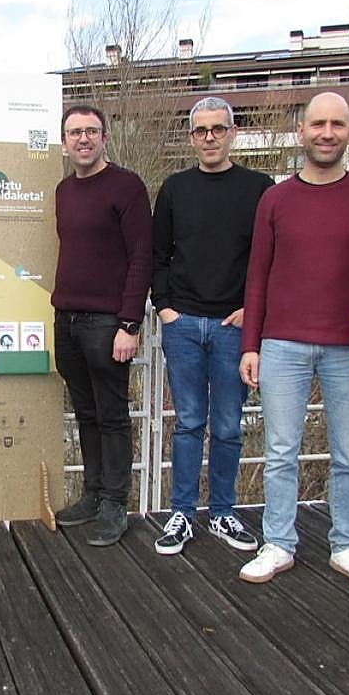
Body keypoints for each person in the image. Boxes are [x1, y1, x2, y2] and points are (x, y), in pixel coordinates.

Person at [237, 92, 349, 588]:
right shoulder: (275, 199)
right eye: (318, 123)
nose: (327, 133)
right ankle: (278, 543)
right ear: (300, 131)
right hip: (282, 344)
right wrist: (251, 344)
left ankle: (347, 545)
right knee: (280, 452)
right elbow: (257, 275)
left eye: (337, 124)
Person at [150, 96, 273, 556]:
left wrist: (251, 310)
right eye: (201, 130)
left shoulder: (259, 188)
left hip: (233, 326)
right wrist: (164, 307)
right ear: (191, 138)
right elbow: (158, 255)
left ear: (232, 132)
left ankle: (222, 512)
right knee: (188, 423)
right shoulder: (175, 189)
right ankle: (182, 513)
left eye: (218, 129)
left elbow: (270, 258)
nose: (210, 138)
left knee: (227, 425)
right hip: (182, 324)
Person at [51, 105, 152, 546]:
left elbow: (141, 258)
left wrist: (130, 323)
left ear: (105, 138)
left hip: (109, 323)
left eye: (91, 131)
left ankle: (114, 504)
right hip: (67, 319)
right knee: (85, 412)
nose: (83, 139)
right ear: (64, 142)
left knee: (112, 416)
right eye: (75, 132)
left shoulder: (127, 186)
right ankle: (92, 495)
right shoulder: (63, 191)